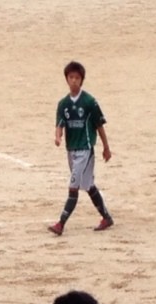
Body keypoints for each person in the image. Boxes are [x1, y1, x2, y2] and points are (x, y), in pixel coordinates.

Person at [48, 61, 113, 236]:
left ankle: (61, 224)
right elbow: (60, 124)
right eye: (71, 77)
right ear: (67, 80)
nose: (74, 81)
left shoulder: (90, 102)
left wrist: (106, 147)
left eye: (77, 78)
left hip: (85, 150)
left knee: (74, 186)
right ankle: (106, 217)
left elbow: (99, 126)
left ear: (82, 80)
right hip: (71, 150)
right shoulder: (63, 104)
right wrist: (58, 136)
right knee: (88, 185)